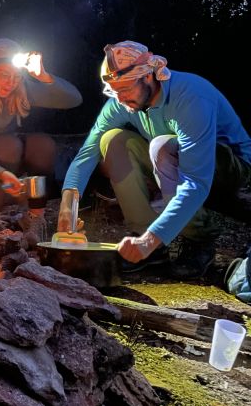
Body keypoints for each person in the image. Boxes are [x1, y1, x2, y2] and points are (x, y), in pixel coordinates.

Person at [58, 40, 251, 278]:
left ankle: (199, 237)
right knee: (112, 139)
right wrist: (68, 206)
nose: (119, 98)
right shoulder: (121, 102)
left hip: (228, 166)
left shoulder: (190, 96)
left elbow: (196, 181)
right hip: (172, 159)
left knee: (160, 145)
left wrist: (151, 240)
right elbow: (87, 153)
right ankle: (151, 247)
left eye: (125, 89)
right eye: (114, 90)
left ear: (148, 77)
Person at [0, 38, 82, 212]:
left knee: (42, 145)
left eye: (16, 76)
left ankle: (37, 216)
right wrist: (2, 174)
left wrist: (43, 76)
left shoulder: (20, 89)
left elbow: (73, 99)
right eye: (4, 75)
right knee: (6, 146)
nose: (11, 83)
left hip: (9, 170)